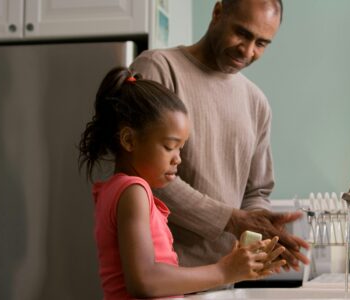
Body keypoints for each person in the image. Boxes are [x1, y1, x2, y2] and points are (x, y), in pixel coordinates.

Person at [130, 0, 310, 271]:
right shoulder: (159, 68)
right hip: (163, 275)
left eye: (261, 43)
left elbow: (257, 189)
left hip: (226, 277)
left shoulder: (256, 102)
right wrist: (232, 220)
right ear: (217, 13)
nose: (248, 51)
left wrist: (259, 222)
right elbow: (142, 172)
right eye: (242, 33)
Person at [78, 66, 286, 299]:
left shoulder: (118, 190)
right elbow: (145, 280)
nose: (178, 158)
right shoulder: (133, 191)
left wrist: (234, 270)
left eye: (181, 147)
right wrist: (223, 271)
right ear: (129, 140)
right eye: (169, 146)